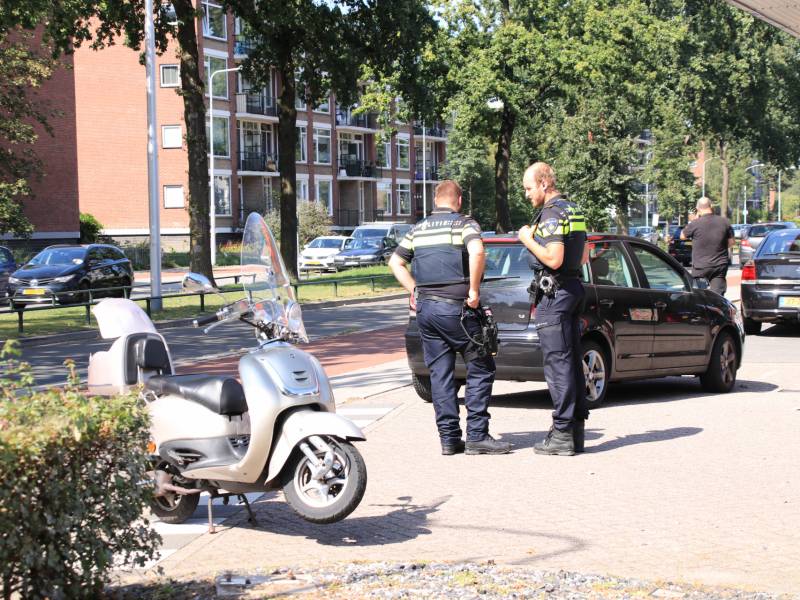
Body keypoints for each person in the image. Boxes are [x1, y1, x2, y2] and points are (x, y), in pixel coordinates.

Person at [388, 180, 511, 456]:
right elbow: (477, 251)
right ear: (458, 200)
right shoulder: (463, 224)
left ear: (435, 201)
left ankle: (449, 439)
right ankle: (477, 435)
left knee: (440, 375)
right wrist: (474, 291)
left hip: (427, 312)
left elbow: (395, 262)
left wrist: (415, 291)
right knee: (480, 366)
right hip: (459, 308)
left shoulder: (417, 229)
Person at [518, 162, 588, 456]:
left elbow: (554, 257)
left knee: (558, 365)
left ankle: (561, 434)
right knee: (572, 363)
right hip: (573, 290)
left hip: (555, 296)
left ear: (544, 183)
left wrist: (526, 239)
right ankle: (575, 432)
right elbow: (584, 254)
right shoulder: (574, 210)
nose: (526, 194)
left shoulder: (551, 213)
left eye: (529, 187)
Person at [680, 197, 734, 295]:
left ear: (698, 209)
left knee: (699, 295)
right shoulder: (724, 222)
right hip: (720, 265)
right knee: (718, 296)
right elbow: (731, 242)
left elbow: (682, 236)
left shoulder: (695, 223)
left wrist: (694, 220)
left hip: (700, 267)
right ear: (711, 206)